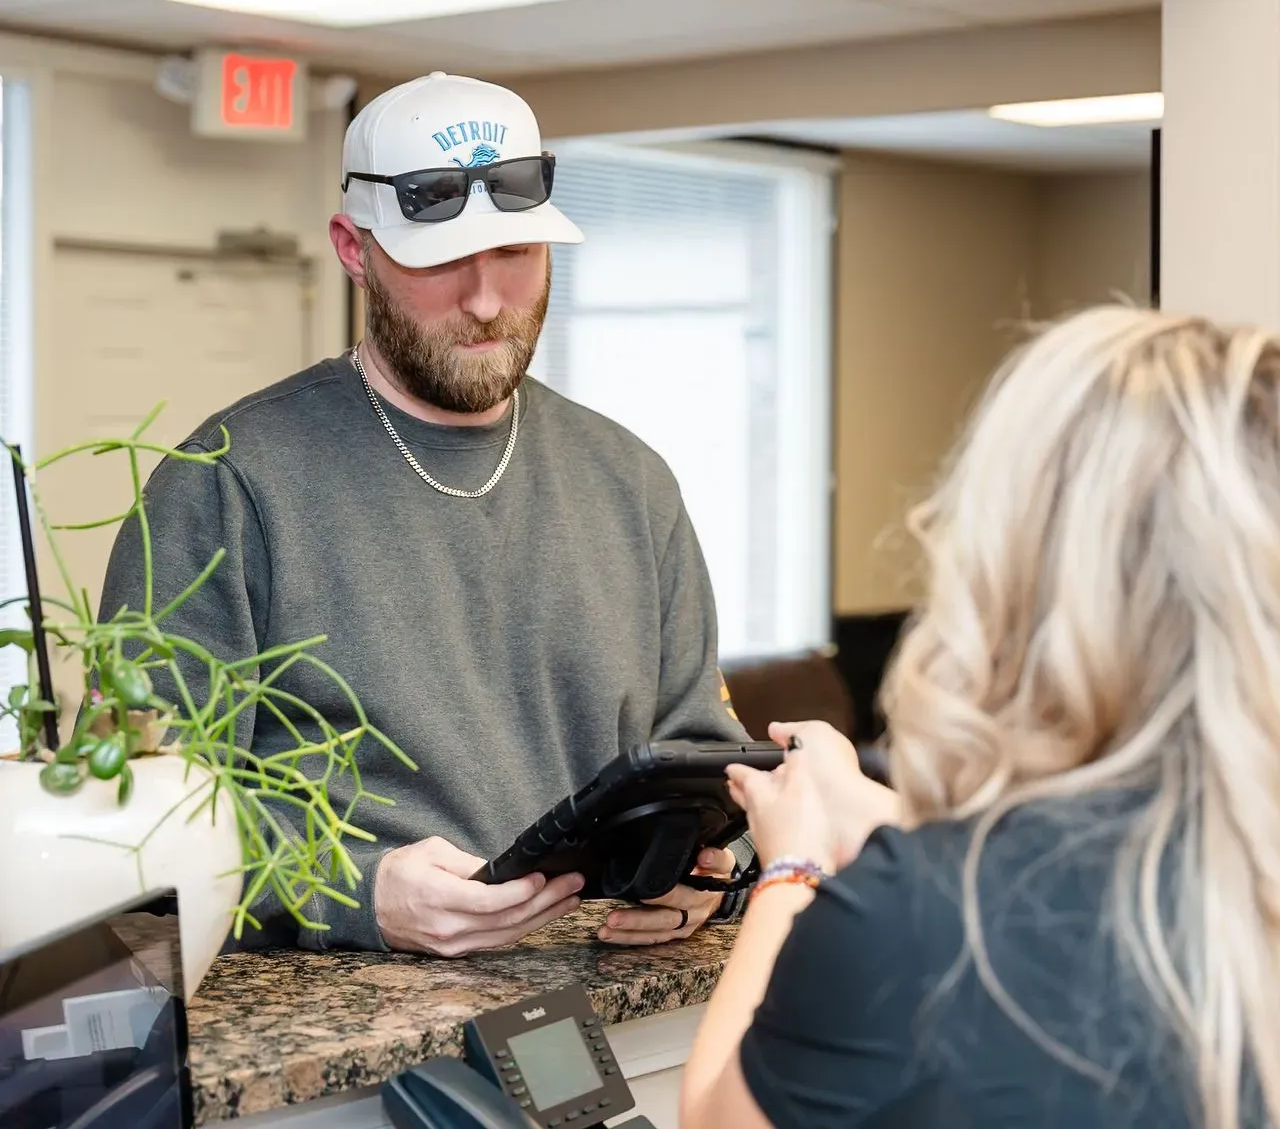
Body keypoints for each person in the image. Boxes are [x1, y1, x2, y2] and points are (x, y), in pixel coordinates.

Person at [99, 71, 751, 958]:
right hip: (361, 1031)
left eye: (516, 254)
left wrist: (707, 866)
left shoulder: (630, 479)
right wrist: (358, 895)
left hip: (614, 995)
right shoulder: (225, 481)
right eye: (442, 261)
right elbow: (148, 813)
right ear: (353, 248)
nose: (485, 300)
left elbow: (700, 753)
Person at [681, 305, 1280, 1128]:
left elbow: (715, 1119)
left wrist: (794, 868)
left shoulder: (911, 928)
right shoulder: (1219, 873)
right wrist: (881, 816)